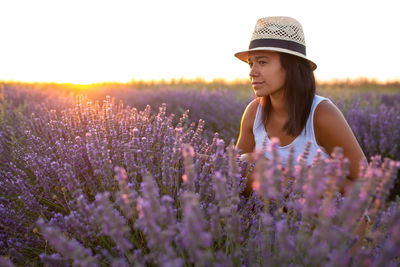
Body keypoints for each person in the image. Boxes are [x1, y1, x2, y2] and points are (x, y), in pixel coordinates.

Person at [234, 16, 366, 196]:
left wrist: (315, 183)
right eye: (251, 63)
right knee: (246, 164)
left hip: (322, 217)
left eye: (262, 62)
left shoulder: (321, 114)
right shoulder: (254, 112)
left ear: (293, 65)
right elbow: (231, 171)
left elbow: (364, 182)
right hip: (266, 220)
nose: (252, 72)